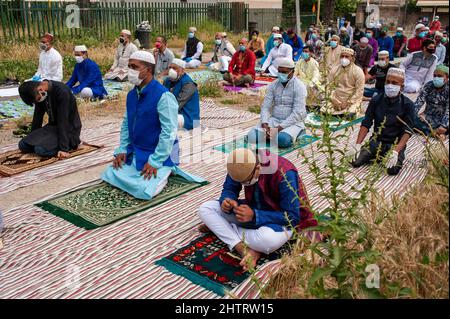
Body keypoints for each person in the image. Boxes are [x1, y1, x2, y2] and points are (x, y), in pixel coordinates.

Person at [101, 51, 203, 200]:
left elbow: (169, 132)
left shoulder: (163, 96)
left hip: (160, 154)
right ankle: (143, 171)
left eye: (134, 66)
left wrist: (155, 161)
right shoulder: (132, 94)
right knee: (109, 173)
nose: (129, 70)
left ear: (147, 70)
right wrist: (122, 148)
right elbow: (126, 124)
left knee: (143, 190)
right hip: (138, 150)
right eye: (129, 66)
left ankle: (165, 170)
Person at [198, 148, 317, 271]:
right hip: (252, 208)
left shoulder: (284, 173)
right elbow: (229, 189)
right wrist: (227, 200)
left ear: (258, 168)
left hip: (278, 219)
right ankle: (242, 248)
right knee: (205, 209)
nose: (245, 184)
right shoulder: (240, 163)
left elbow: (293, 217)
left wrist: (255, 215)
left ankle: (223, 228)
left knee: (267, 241)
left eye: (247, 181)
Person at [348, 68, 415, 176]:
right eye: (387, 82)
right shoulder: (376, 100)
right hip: (376, 142)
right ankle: (377, 155)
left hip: (395, 144)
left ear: (401, 87)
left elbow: (408, 130)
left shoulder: (408, 105)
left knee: (392, 170)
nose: (390, 85)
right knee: (354, 161)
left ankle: (387, 155)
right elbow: (366, 123)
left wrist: (396, 151)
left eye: (394, 83)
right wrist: (358, 144)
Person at [248, 58, 307, 149]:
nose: (280, 74)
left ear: (292, 72)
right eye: (279, 71)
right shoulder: (273, 85)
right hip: (274, 120)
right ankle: (271, 136)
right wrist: (265, 125)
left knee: (282, 140)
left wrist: (277, 130)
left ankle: (299, 132)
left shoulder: (299, 87)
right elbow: (265, 107)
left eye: (284, 72)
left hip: (292, 123)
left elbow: (297, 113)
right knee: (251, 136)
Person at [17, 80, 81, 158]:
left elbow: (63, 121)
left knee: (40, 150)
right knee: (23, 145)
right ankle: (49, 144)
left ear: (40, 90)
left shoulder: (62, 92)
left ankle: (71, 144)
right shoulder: (41, 93)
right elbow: (38, 117)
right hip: (52, 127)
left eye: (37, 99)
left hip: (69, 129)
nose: (38, 101)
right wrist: (33, 138)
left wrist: (64, 149)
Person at [322, 48, 365, 117]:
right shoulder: (334, 70)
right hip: (335, 99)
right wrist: (333, 100)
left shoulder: (358, 71)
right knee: (323, 110)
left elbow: (359, 91)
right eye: (342, 56)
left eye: (347, 56)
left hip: (351, 101)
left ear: (352, 58)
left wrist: (348, 102)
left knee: (350, 114)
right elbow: (328, 87)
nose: (344, 58)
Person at [163, 59, 200, 131]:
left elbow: (177, 105)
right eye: (170, 68)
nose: (171, 70)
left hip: (188, 118)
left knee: (158, 120)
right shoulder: (167, 81)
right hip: (173, 113)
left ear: (182, 71)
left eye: (174, 68)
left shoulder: (188, 84)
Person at [413, 64, 448, 138]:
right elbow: (418, 102)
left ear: (447, 78)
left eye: (439, 76)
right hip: (428, 118)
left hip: (444, 119)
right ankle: (434, 134)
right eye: (434, 76)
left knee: (444, 127)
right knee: (412, 120)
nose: (436, 78)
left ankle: (435, 132)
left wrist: (444, 126)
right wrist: (411, 115)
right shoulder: (428, 86)